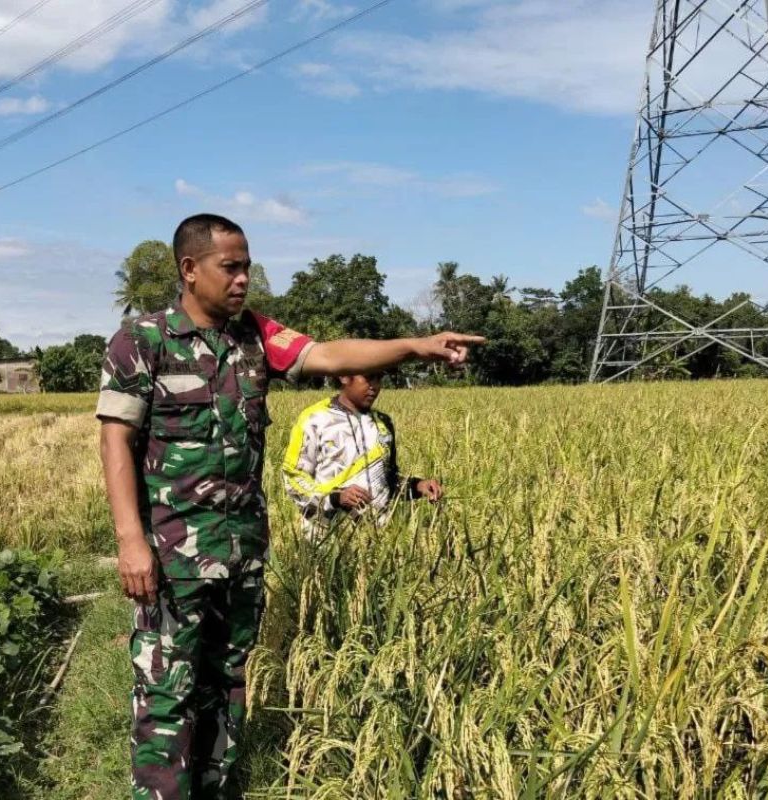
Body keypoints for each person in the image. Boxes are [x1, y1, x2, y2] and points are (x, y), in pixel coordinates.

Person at [96, 213, 483, 800]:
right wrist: (130, 541)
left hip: (243, 553)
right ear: (189, 269)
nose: (243, 278)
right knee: (167, 695)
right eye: (231, 266)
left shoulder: (254, 335)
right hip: (172, 558)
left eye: (247, 266)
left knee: (227, 685)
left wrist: (413, 347)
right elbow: (115, 439)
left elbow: (328, 354)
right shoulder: (142, 341)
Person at [282, 372, 442, 538]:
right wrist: (335, 498)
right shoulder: (315, 419)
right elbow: (293, 479)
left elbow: (387, 481)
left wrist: (418, 486)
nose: (374, 386)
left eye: (378, 378)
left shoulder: (383, 423)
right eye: (368, 378)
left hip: (375, 539)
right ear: (344, 376)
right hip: (325, 537)